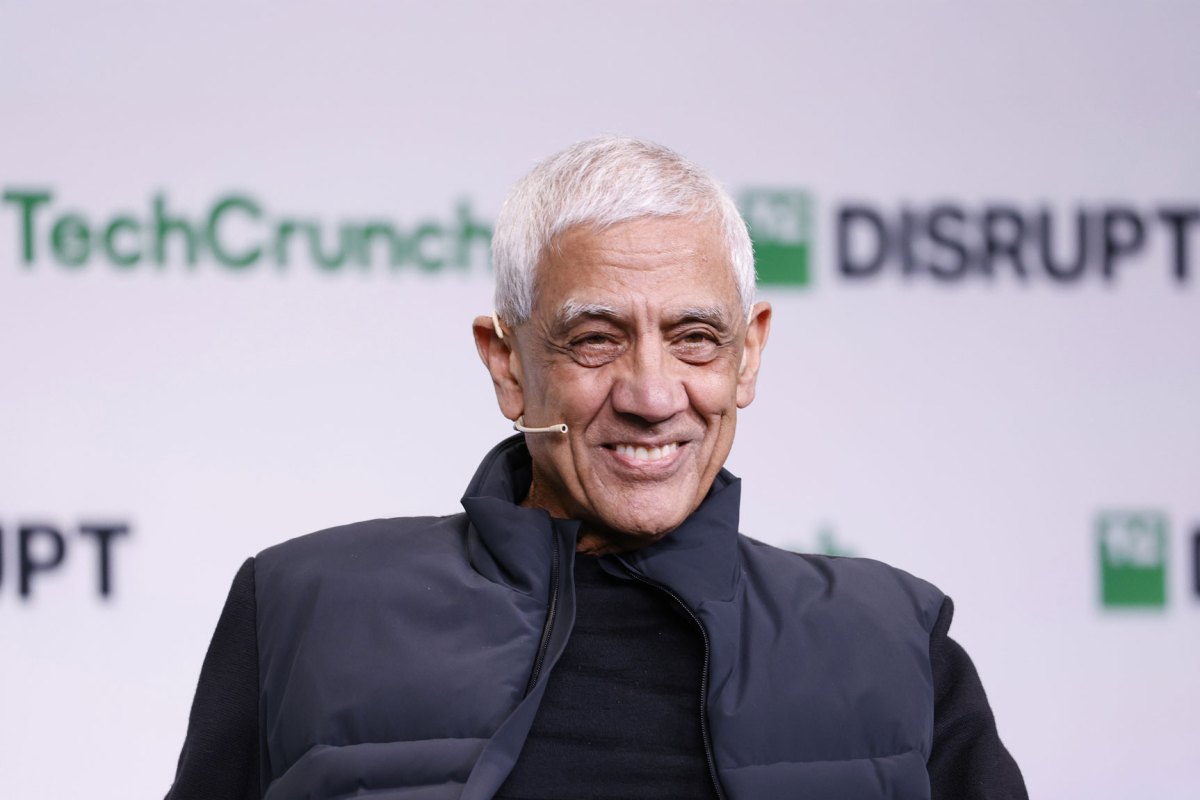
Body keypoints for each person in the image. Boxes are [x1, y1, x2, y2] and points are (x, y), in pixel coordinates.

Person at [166, 136, 1027, 800]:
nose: (653, 395)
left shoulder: (893, 639)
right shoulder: (301, 606)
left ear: (749, 356)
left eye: (696, 339)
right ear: (507, 365)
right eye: (595, 340)